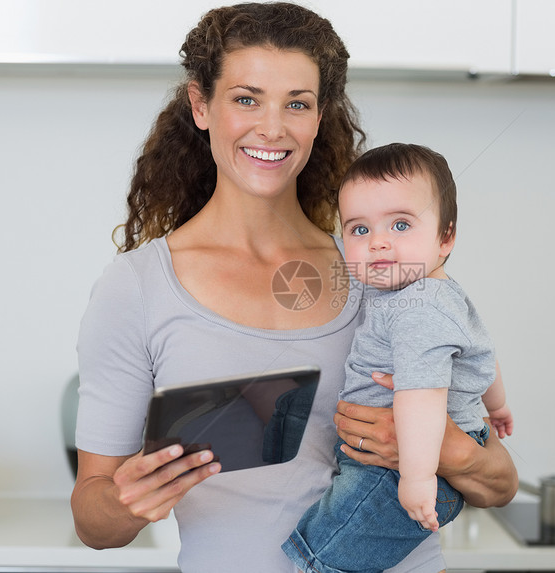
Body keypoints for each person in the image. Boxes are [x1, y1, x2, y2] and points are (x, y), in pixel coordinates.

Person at [71, 4, 518, 572]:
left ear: (319, 117)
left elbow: (498, 483)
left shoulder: (375, 269)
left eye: (297, 104)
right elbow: (93, 519)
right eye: (246, 98)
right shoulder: (137, 288)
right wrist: (127, 499)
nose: (273, 127)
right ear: (200, 105)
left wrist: (450, 450)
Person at [282, 143, 514, 573]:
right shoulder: (421, 291)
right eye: (359, 230)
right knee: (324, 545)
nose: (379, 244)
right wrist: (496, 406)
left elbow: (420, 396)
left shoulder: (419, 307)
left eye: (401, 224)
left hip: (398, 474)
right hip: (398, 465)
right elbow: (484, 353)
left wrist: (417, 477)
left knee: (322, 558)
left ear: (446, 237)